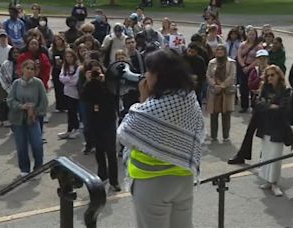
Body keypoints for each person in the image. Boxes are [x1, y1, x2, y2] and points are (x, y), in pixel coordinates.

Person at [117, 49, 205, 228]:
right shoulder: (188, 97)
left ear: (159, 75)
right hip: (184, 178)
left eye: (149, 71)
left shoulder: (150, 109)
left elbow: (124, 133)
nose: (145, 76)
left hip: (152, 182)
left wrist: (143, 100)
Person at [80, 60, 120, 190]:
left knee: (111, 151)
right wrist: (88, 81)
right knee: (99, 150)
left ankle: (114, 181)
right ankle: (102, 176)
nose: (97, 73)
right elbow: (84, 98)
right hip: (94, 121)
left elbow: (113, 98)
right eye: (94, 71)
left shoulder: (109, 84)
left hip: (108, 120)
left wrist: (104, 83)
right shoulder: (89, 85)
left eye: (98, 70)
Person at [7, 59, 48, 176]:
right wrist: (21, 106)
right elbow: (10, 100)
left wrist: (35, 111)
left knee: (37, 144)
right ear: (22, 69)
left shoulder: (38, 83)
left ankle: (38, 167)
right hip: (18, 119)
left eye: (32, 69)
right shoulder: (16, 83)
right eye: (27, 68)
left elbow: (44, 101)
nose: (30, 71)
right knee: (21, 145)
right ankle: (24, 169)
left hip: (33, 119)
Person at [255, 65, 291, 197]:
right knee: (266, 154)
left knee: (275, 156)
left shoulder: (285, 90)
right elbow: (258, 104)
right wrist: (271, 106)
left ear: (279, 76)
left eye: (273, 75)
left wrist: (267, 106)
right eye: (268, 75)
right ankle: (267, 181)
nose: (270, 78)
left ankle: (275, 183)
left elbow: (284, 109)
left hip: (278, 127)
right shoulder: (265, 88)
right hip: (266, 126)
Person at [206, 45, 236, 141]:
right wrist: (214, 85)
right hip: (214, 92)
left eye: (221, 49)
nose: (219, 51)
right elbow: (208, 75)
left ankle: (225, 136)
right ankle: (213, 136)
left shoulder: (231, 62)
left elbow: (232, 76)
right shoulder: (212, 62)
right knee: (214, 114)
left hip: (226, 91)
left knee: (226, 114)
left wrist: (222, 85)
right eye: (217, 49)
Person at [237, 27, 262, 113]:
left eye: (253, 34)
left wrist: (249, 67)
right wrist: (243, 66)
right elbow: (239, 56)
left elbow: (258, 59)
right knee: (243, 86)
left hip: (253, 67)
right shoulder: (242, 45)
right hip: (243, 66)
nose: (251, 36)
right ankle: (244, 105)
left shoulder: (258, 46)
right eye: (250, 34)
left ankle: (254, 105)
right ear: (247, 34)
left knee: (253, 85)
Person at [58, 49, 81, 139]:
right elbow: (61, 78)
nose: (69, 59)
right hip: (67, 92)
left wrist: (67, 79)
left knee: (73, 111)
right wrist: (68, 79)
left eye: (70, 56)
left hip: (75, 93)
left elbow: (75, 81)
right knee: (69, 112)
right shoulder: (65, 66)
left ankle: (76, 128)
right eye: (67, 57)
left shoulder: (78, 67)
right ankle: (69, 130)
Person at [0, 47, 20, 127]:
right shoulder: (6, 63)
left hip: (17, 85)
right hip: (3, 84)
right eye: (14, 53)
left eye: (17, 52)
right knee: (3, 102)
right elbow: (1, 75)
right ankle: (3, 119)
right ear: (11, 54)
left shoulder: (23, 62)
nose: (16, 54)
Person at [49, 34, 68, 112]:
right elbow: (50, 60)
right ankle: (59, 106)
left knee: (65, 88)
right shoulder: (51, 50)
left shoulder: (66, 49)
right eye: (56, 40)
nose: (58, 42)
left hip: (65, 69)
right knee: (57, 88)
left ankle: (65, 105)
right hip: (56, 70)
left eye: (59, 39)